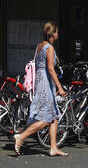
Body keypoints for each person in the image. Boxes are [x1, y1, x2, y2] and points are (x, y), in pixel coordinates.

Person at [13, 22, 68, 156]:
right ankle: (21, 136)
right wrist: (60, 87)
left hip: (41, 81)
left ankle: (53, 147)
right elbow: (50, 68)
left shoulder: (39, 46)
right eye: (57, 32)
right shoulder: (49, 48)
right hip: (45, 83)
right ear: (53, 34)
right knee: (47, 119)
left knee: (54, 115)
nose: (58, 34)